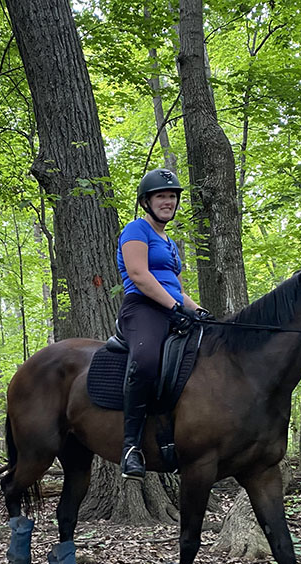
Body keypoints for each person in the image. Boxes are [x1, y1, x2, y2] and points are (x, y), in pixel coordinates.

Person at [116, 168, 210, 481]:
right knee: (145, 361)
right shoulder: (136, 230)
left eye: (172, 196)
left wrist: (198, 311)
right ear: (147, 201)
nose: (168, 201)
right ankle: (131, 446)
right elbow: (140, 276)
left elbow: (177, 290)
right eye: (161, 196)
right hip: (142, 308)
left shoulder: (171, 244)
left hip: (172, 309)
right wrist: (172, 307)